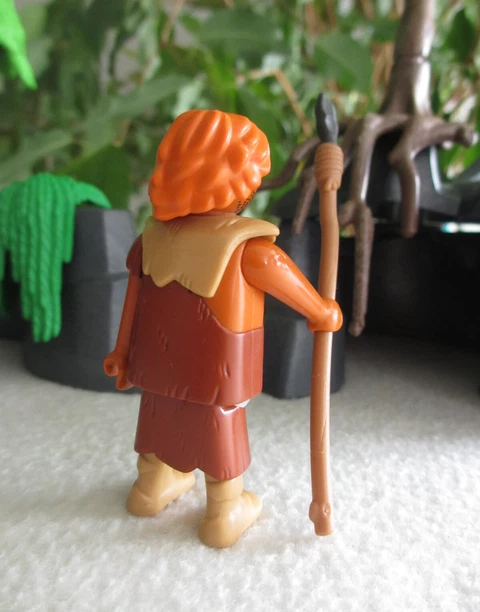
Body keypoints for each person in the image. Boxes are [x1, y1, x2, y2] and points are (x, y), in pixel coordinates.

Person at [104, 109, 342, 548]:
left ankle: (149, 488)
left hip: (156, 367)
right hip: (215, 373)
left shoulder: (149, 241)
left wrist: (122, 351)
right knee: (219, 429)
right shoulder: (245, 248)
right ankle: (223, 511)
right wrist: (321, 311)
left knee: (158, 416)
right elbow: (283, 277)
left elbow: (133, 300)